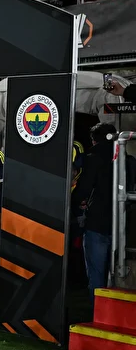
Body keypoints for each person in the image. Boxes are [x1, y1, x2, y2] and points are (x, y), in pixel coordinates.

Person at [73, 123, 117, 305]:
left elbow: (83, 188)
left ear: (93, 140)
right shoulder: (127, 159)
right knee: (119, 274)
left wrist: (77, 202)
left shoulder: (93, 159)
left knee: (96, 274)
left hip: (97, 223)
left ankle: (98, 313)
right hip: (122, 225)